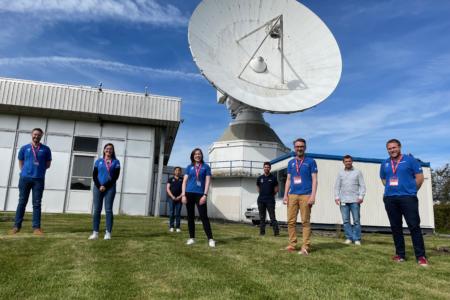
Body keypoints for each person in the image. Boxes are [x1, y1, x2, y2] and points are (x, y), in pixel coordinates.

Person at [380, 139, 428, 266]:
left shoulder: (411, 160)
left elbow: (420, 178)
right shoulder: (385, 163)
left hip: (408, 198)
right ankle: (400, 254)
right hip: (390, 198)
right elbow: (384, 180)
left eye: (394, 147)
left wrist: (411, 190)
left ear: (399, 147)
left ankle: (421, 256)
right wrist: (392, 189)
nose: (392, 150)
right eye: (389, 148)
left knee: (414, 226)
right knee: (396, 227)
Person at [10, 128, 52, 235]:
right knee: (22, 202)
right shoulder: (24, 148)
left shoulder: (46, 149)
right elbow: (20, 162)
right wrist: (25, 171)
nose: (36, 136)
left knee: (37, 204)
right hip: (25, 179)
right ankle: (16, 226)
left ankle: (36, 228)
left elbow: (48, 164)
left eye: (38, 135)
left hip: (38, 180)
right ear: (31, 135)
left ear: (41, 136)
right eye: (35, 134)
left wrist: (38, 171)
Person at [283, 138, 318, 255]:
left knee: (305, 222)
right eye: (297, 146)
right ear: (294, 148)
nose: (299, 148)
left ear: (305, 147)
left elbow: (314, 180)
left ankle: (305, 246)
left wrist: (313, 196)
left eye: (301, 146)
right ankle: (292, 244)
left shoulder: (311, 161)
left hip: (306, 195)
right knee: (290, 221)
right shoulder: (290, 163)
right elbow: (288, 179)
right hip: (292, 195)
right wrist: (285, 195)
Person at [181, 148, 215, 247]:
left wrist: (205, 195)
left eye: (199, 154)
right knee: (190, 217)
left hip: (200, 194)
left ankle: (210, 239)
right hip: (189, 193)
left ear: (201, 155)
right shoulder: (189, 167)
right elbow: (184, 182)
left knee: (204, 217)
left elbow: (208, 182)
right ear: (193, 156)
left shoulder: (206, 167)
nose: (197, 155)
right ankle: (192, 238)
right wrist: (183, 195)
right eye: (195, 154)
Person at [88, 143, 121, 240]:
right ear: (104, 150)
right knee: (97, 210)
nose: (109, 150)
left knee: (108, 210)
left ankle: (108, 233)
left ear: (113, 151)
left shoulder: (116, 162)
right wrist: (99, 186)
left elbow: (115, 177)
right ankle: (95, 233)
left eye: (111, 149)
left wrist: (105, 186)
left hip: (110, 188)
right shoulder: (98, 161)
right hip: (98, 188)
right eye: (107, 149)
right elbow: (94, 175)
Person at [334, 155, 366, 245]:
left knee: (356, 220)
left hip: (355, 200)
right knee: (346, 221)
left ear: (352, 162)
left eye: (349, 161)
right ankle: (349, 238)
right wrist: (336, 197)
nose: (348, 163)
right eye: (346, 161)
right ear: (343, 162)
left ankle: (357, 239)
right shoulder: (340, 173)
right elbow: (337, 186)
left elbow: (362, 185)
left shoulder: (358, 172)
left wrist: (361, 197)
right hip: (343, 200)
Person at [256, 162, 279, 236]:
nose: (266, 168)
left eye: (268, 167)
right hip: (261, 200)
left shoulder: (273, 178)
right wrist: (263, 194)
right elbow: (258, 188)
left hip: (270, 200)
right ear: (263, 168)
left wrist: (271, 195)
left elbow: (276, 189)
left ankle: (276, 233)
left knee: (272, 217)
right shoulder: (260, 178)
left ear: (270, 168)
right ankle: (262, 233)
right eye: (265, 167)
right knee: (262, 217)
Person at [166, 167, 183, 232]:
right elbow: (167, 189)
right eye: (176, 170)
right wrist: (172, 196)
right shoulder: (170, 179)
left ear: (180, 172)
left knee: (178, 213)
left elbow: (184, 189)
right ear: (174, 172)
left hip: (179, 198)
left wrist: (180, 196)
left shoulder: (182, 179)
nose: (177, 172)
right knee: (172, 212)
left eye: (179, 171)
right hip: (171, 198)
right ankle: (171, 227)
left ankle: (178, 227)